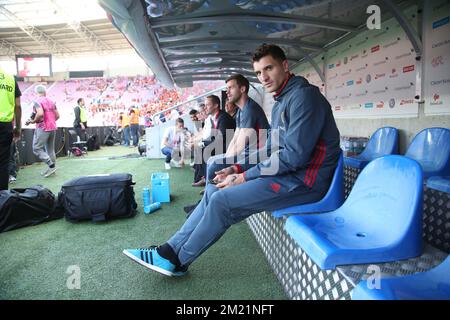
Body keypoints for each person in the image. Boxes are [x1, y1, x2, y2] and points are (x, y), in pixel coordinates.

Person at [123, 44, 341, 276]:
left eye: (269, 68)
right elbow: (271, 149)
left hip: (307, 183)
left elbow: (294, 157)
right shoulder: (281, 102)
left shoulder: (304, 97)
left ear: (285, 66)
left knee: (222, 202)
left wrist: (244, 176)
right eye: (258, 72)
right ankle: (169, 249)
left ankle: (178, 260)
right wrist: (235, 167)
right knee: (216, 193)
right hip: (288, 174)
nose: (264, 77)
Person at [206, 74, 270, 183]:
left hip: (257, 156)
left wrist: (226, 161)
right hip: (246, 153)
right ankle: (210, 189)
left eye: (230, 88)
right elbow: (235, 139)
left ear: (242, 89)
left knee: (215, 165)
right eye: (227, 89)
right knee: (212, 160)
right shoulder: (241, 110)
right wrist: (226, 157)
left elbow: (239, 147)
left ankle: (213, 191)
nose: (227, 92)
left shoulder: (250, 109)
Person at [190, 95, 236, 187]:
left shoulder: (223, 117)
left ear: (216, 105)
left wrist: (204, 144)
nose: (205, 107)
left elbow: (222, 138)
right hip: (221, 144)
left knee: (203, 149)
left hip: (229, 147)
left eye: (208, 105)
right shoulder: (215, 117)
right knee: (200, 148)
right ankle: (205, 178)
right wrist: (202, 143)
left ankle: (209, 181)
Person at [28, 85, 59, 178]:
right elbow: (57, 116)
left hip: (43, 127)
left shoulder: (37, 101)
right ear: (45, 92)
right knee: (50, 149)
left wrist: (33, 121)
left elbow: (40, 113)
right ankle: (52, 169)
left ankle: (50, 164)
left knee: (36, 148)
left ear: (36, 92)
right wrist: (51, 121)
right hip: (52, 127)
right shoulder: (52, 101)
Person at [0, 67, 21, 190]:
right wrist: (18, 127)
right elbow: (17, 105)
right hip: (5, 125)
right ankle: (2, 199)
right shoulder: (10, 77)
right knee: (3, 163)